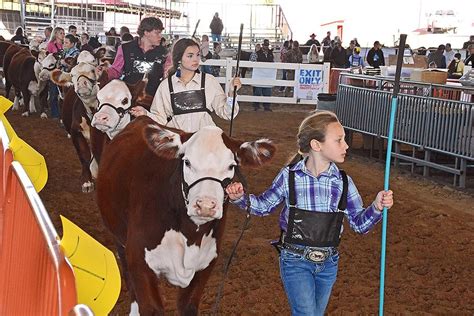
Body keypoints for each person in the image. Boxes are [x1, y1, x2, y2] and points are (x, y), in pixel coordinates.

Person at [225, 110, 394, 315]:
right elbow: (263, 206)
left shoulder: (343, 182)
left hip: (329, 263)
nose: (346, 146)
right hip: (295, 260)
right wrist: (239, 198)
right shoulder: (290, 176)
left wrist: (376, 207)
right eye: (339, 140)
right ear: (316, 145)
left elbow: (359, 225)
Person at [129, 38, 241, 133]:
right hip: (178, 142)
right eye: (190, 56)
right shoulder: (166, 86)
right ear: (179, 59)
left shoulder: (209, 81)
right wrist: (145, 114)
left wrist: (232, 94)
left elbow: (227, 114)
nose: (195, 59)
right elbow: (160, 119)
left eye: (197, 55)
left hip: (205, 141)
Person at [108, 17, 167, 96]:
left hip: (153, 100)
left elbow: (167, 76)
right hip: (128, 98)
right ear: (146, 32)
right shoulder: (125, 49)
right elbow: (116, 71)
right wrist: (104, 72)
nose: (160, 36)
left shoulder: (164, 53)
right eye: (157, 33)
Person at [47, 27, 65, 119]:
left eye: (63, 33)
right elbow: (48, 58)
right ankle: (55, 113)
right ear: (56, 34)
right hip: (54, 72)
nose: (63, 35)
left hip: (63, 72)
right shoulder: (50, 45)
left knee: (63, 94)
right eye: (61, 33)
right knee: (54, 93)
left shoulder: (64, 45)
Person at [252, 39, 274, 111]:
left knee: (267, 91)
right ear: (262, 45)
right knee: (258, 90)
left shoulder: (271, 54)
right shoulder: (257, 53)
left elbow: (273, 63)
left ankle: (266, 106)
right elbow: (252, 62)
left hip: (267, 75)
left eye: (267, 45)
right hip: (259, 75)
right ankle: (256, 105)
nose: (266, 46)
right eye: (265, 45)